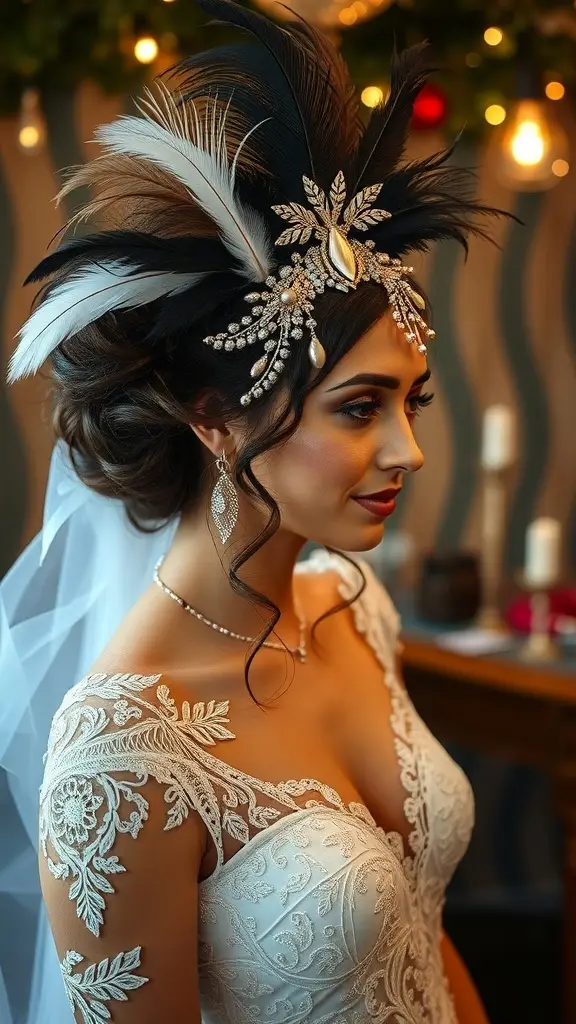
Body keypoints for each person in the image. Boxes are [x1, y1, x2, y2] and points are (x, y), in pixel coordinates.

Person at [0, 1, 509, 1020]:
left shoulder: (356, 611)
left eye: (411, 402)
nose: (407, 450)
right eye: (359, 407)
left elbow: (418, 930)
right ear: (214, 419)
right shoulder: (121, 751)